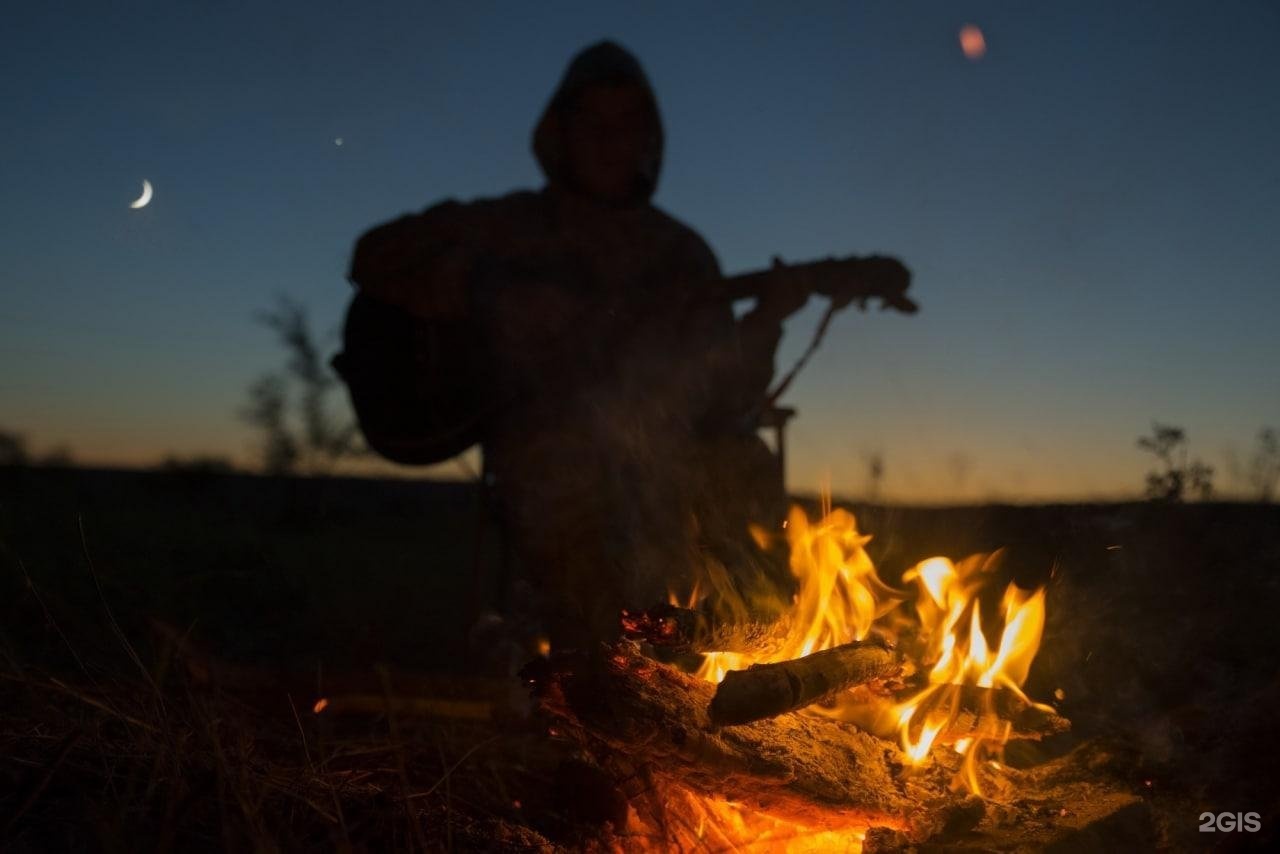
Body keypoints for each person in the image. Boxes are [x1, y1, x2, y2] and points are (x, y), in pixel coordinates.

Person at [343, 41, 813, 649]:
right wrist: (480, 290)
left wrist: (769, 318)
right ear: (561, 131)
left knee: (735, 468)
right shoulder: (510, 226)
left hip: (667, 466)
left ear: (648, 138)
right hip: (550, 460)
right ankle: (591, 667)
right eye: (593, 122)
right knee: (579, 504)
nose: (609, 139)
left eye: (625, 124)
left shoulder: (682, 254)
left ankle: (720, 652)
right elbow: (373, 254)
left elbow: (726, 395)